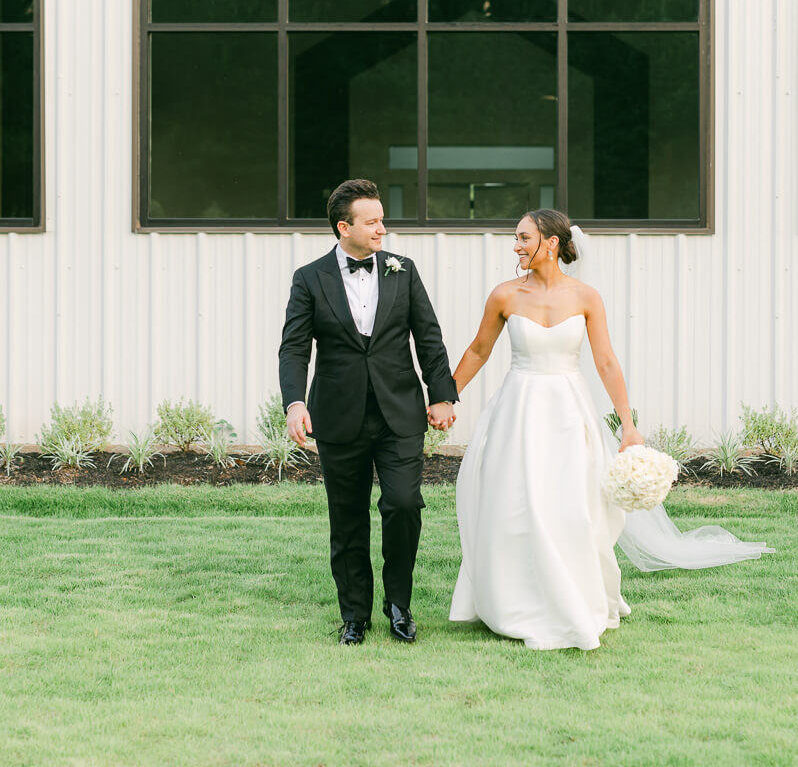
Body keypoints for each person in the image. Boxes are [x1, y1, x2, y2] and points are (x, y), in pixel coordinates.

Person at [449, 209, 774, 651]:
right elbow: (479, 349)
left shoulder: (586, 297)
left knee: (573, 505)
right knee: (513, 502)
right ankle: (513, 602)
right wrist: (445, 396)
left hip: (569, 413)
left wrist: (628, 426)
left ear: (550, 243)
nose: (516, 246)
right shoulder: (504, 295)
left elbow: (605, 361)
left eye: (523, 238)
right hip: (518, 411)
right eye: (516, 238)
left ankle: (573, 598)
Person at [279, 179, 457, 646]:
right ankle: (354, 615)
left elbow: (429, 336)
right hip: (338, 417)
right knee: (347, 516)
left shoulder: (404, 270)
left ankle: (399, 605)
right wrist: (295, 403)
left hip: (399, 413)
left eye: (382, 219)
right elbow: (294, 349)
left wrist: (442, 394)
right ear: (345, 226)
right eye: (373, 221)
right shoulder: (309, 278)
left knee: (403, 505)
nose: (383, 228)